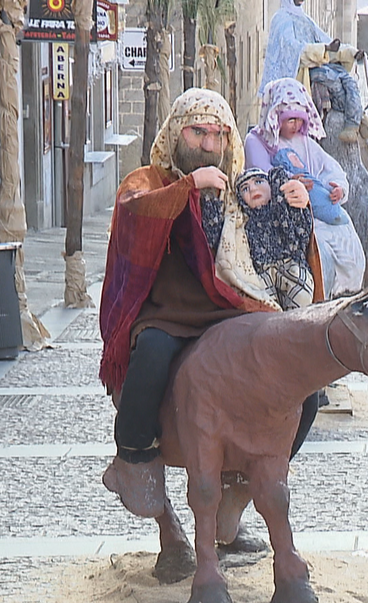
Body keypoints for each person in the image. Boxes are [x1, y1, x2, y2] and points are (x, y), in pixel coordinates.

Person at [98, 88, 317, 540]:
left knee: (305, 393)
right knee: (152, 355)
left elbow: (279, 245)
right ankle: (135, 452)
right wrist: (187, 189)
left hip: (234, 309)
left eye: (218, 135)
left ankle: (241, 484)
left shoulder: (240, 186)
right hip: (167, 311)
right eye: (198, 132)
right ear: (177, 132)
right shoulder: (148, 179)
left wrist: (295, 206)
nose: (209, 144)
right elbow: (133, 212)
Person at [245, 78, 366, 296]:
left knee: (346, 239)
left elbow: (329, 167)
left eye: (299, 120)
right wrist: (292, 182)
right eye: (290, 120)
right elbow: (260, 176)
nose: (295, 125)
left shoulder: (306, 143)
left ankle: (347, 291)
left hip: (317, 211)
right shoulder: (256, 141)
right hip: (282, 216)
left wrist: (337, 187)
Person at [260, 0, 366, 142]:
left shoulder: (305, 19)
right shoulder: (280, 19)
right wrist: (323, 49)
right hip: (300, 74)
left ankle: (356, 121)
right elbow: (293, 50)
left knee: (347, 79)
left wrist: (351, 52)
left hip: (318, 65)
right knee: (332, 80)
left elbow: (326, 41)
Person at [235, 167, 316, 311]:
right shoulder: (244, 222)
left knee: (302, 297)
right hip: (262, 271)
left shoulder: (282, 210)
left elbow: (303, 233)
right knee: (266, 308)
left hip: (290, 264)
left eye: (258, 182)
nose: (253, 189)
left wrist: (296, 207)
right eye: (245, 189)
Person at [271, 147, 347, 225]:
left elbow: (334, 172)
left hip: (335, 210)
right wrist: (289, 181)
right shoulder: (277, 155)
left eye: (297, 158)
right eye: (295, 159)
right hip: (302, 220)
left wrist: (340, 189)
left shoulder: (309, 146)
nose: (297, 160)